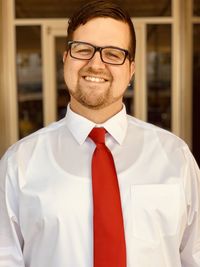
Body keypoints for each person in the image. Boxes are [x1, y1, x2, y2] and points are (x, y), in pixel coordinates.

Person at [0, 0, 200, 266]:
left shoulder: (176, 157)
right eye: (82, 49)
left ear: (131, 69)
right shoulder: (18, 164)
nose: (96, 64)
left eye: (114, 54)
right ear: (65, 59)